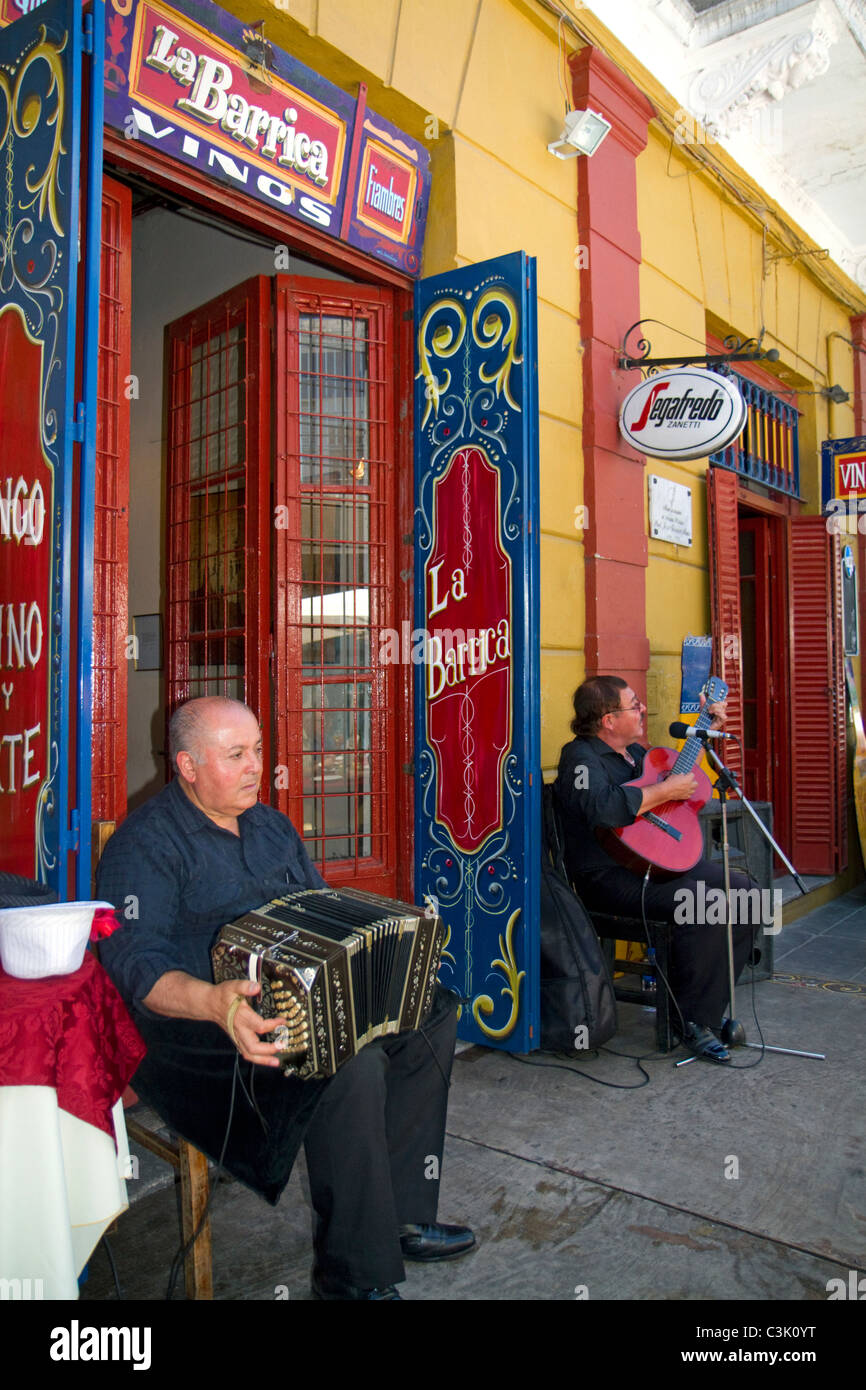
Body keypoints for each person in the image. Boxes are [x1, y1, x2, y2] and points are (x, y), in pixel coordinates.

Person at [97, 695, 474, 1300]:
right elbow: (134, 964)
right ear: (188, 766)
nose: (256, 767)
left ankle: (397, 1215)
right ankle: (351, 1277)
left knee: (429, 1013)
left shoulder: (269, 824)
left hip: (291, 1000)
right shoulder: (145, 843)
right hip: (201, 1033)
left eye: (257, 750)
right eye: (236, 755)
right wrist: (216, 1003)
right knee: (350, 1063)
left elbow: (320, 906)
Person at [554, 676, 757, 1064]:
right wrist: (665, 792)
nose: (643, 709)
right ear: (608, 719)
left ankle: (706, 1010)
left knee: (747, 893)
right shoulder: (579, 758)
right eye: (634, 705)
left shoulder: (634, 751)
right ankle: (690, 1022)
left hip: (653, 865)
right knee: (706, 902)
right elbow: (602, 807)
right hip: (608, 877)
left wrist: (704, 734)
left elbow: (671, 785)